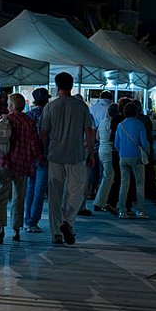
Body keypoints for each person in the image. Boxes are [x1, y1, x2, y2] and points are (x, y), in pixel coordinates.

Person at [40, 72, 95, 246]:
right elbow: (89, 131)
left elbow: (43, 133)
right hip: (76, 155)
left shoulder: (50, 107)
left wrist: (42, 152)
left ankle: (56, 233)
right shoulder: (81, 106)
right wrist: (91, 153)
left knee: (54, 196)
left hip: (55, 155)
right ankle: (68, 221)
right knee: (77, 192)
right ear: (71, 86)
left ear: (57, 86)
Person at [0, 93, 42, 244]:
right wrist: (38, 158)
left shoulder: (5, 119)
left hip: (3, 162)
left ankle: (0, 230)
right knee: (19, 197)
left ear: (11, 105)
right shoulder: (28, 122)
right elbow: (33, 144)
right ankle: (16, 230)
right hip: (22, 164)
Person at [114, 102, 151, 219]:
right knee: (139, 183)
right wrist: (145, 152)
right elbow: (144, 143)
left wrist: (122, 152)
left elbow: (116, 144)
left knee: (124, 184)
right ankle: (140, 210)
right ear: (136, 112)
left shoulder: (120, 125)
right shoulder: (139, 124)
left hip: (123, 157)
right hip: (137, 158)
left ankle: (122, 210)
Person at [23, 87, 50, 233]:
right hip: (44, 156)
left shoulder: (28, 115)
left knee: (30, 188)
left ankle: (27, 220)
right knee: (39, 190)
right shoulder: (48, 115)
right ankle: (33, 221)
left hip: (29, 156)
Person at [93, 103, 122, 213]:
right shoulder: (112, 123)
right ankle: (99, 202)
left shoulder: (102, 122)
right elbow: (112, 137)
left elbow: (97, 137)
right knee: (108, 176)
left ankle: (102, 201)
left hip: (101, 149)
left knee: (108, 175)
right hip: (109, 151)